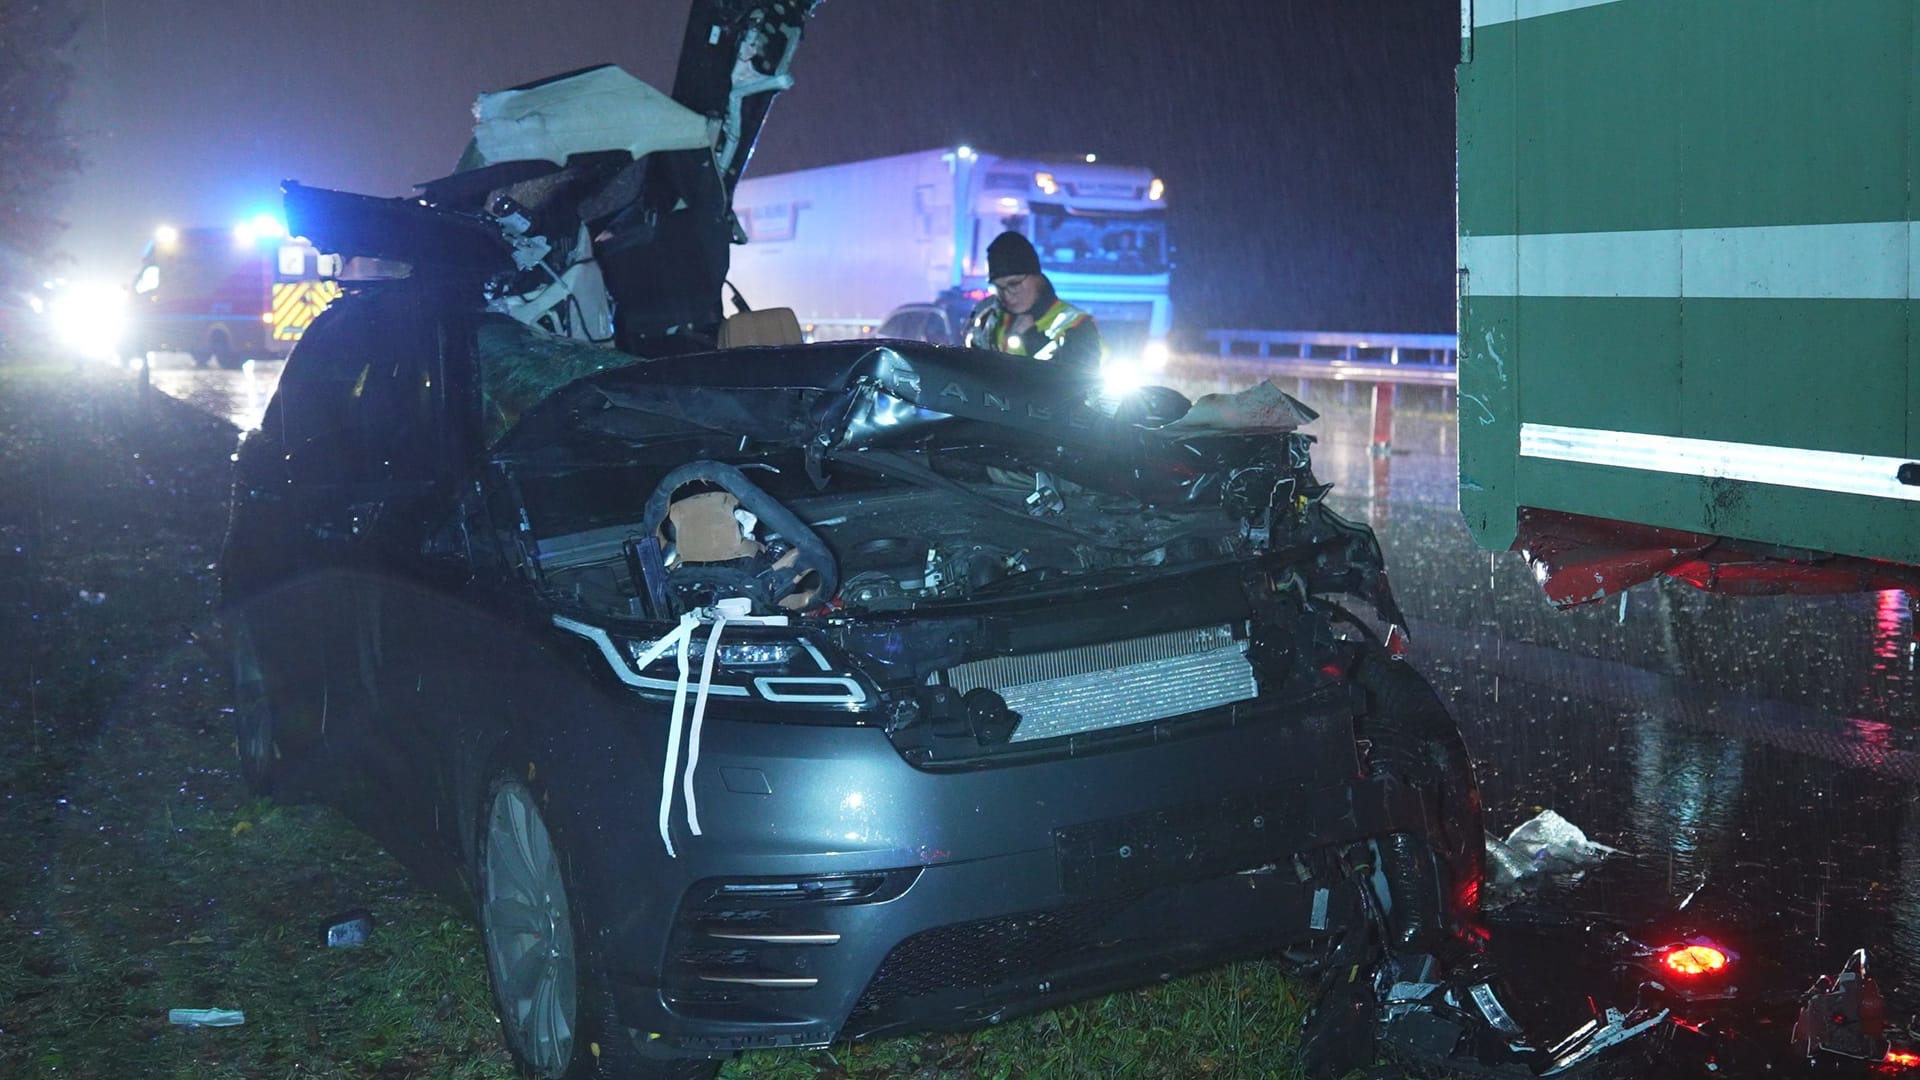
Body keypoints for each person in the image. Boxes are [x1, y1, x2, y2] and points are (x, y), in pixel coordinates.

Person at [963, 232, 1103, 369]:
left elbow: (1078, 382)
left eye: (1014, 284)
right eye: (999, 287)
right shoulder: (987, 319)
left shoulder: (1077, 324)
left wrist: (1032, 338)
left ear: (1037, 277)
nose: (1007, 295)